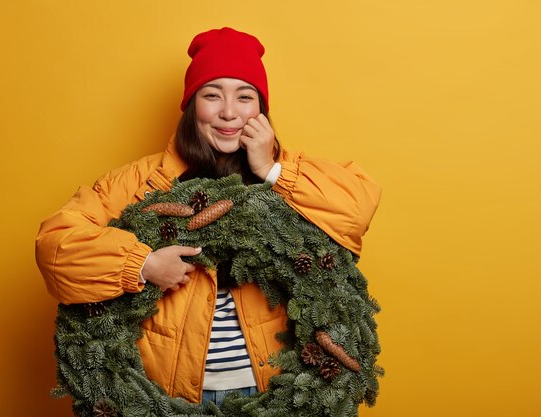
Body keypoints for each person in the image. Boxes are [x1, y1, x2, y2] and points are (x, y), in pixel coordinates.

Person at [35, 27, 381, 406]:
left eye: (245, 97)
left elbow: (358, 207)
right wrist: (143, 264)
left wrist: (270, 169)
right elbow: (56, 245)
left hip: (270, 395)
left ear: (261, 109)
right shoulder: (142, 181)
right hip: (168, 397)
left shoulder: (287, 173)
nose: (229, 112)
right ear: (191, 105)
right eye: (212, 95)